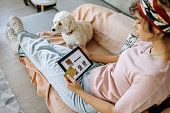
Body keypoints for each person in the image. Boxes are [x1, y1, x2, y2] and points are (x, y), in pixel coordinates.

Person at [5, 0, 170, 113]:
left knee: (46, 58)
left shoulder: (155, 78)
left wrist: (78, 91)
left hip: (86, 94)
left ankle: (20, 35)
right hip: (94, 70)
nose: (134, 26)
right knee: (53, 47)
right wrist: (92, 56)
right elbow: (122, 60)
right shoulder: (149, 43)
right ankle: (21, 47)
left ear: (157, 29)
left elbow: (114, 111)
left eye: (139, 22)